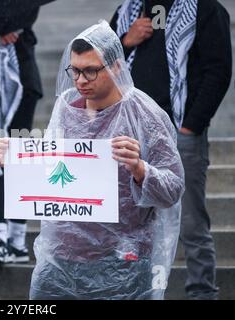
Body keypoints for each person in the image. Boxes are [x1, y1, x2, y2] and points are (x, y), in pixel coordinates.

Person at [0, 21, 185, 299]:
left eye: (91, 71)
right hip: (61, 256)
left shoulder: (144, 114)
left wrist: (140, 168)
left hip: (121, 259)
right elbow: (55, 168)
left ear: (117, 66)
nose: (80, 80)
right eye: (75, 70)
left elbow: (174, 188)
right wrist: (16, 160)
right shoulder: (67, 106)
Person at [109, 0, 232, 300]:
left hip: (180, 132)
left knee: (190, 221)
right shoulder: (128, 11)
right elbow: (98, 63)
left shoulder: (205, 9)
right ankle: (131, 291)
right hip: (131, 133)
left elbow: (219, 70)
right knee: (127, 221)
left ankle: (202, 292)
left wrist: (191, 126)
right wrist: (126, 40)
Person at [0, 6, 44, 266]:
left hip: (22, 74)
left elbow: (30, 6)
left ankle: (17, 239)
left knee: (18, 155)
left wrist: (4, 26)